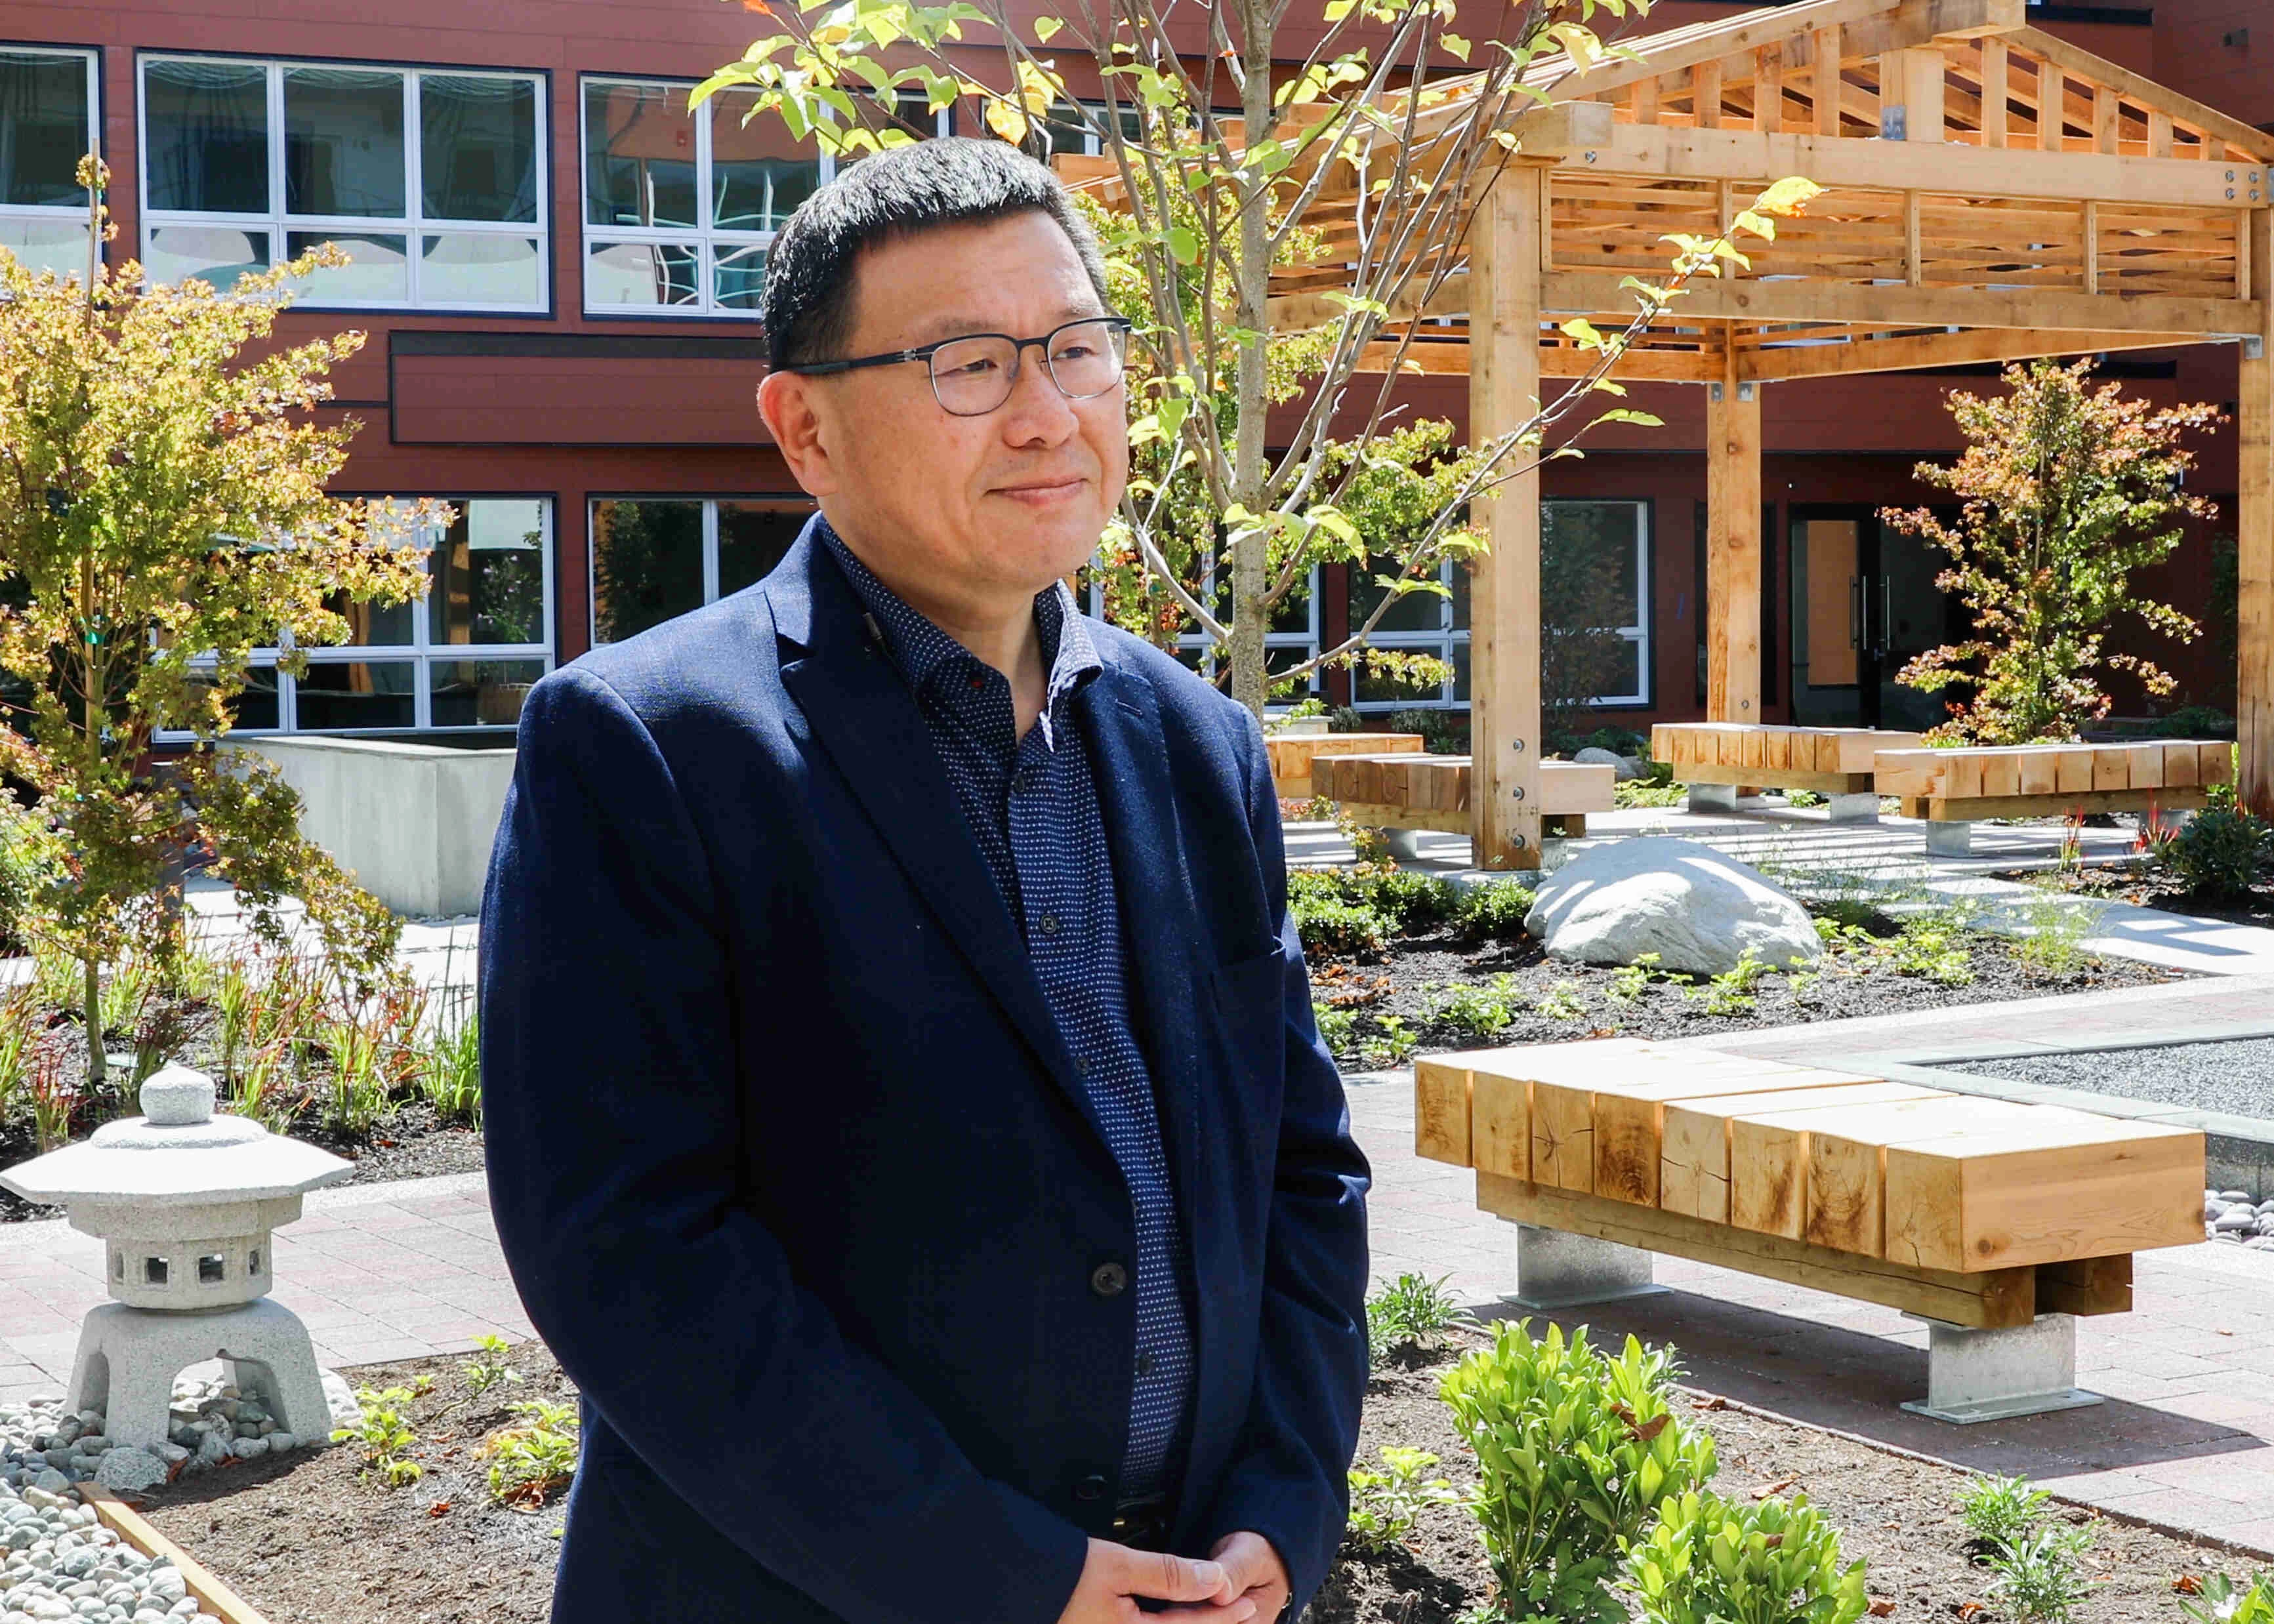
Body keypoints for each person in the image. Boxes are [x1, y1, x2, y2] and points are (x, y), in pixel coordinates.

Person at [478, 135, 1370, 1624]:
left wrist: (1284, 1499)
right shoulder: (646, 746)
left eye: (1076, 349)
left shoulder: (1197, 741)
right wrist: (1007, 1576)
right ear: (804, 429)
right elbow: (631, 1260)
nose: (1046, 415)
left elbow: (1300, 1168)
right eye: (967, 364)